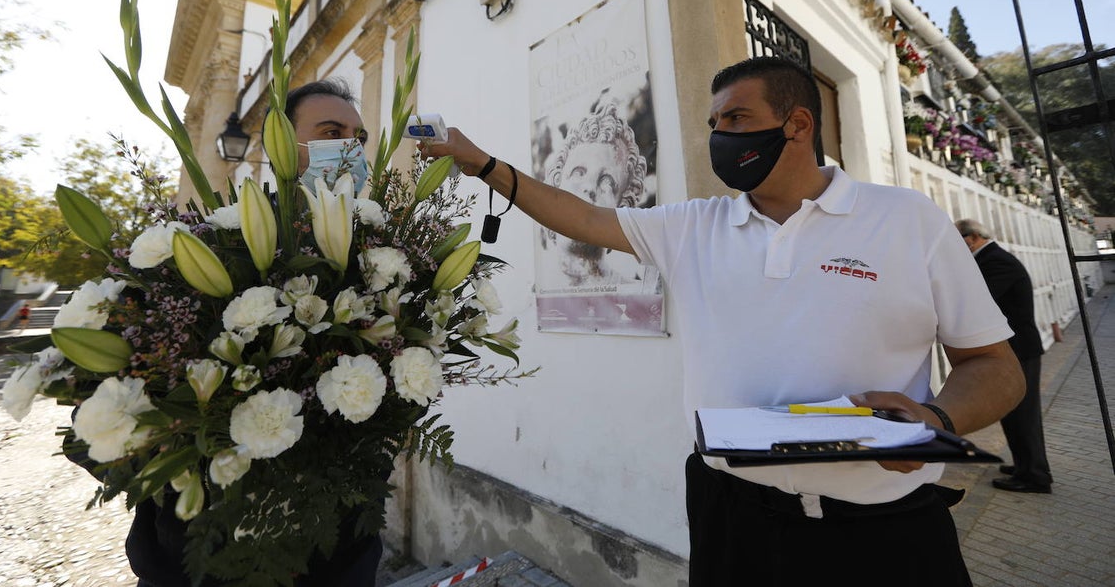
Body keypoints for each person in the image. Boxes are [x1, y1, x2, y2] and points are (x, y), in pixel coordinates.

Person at [421, 56, 1025, 586]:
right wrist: (482, 164)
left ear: (797, 125)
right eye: (713, 125)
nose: (719, 136)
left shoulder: (906, 220)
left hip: (882, 532)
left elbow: (997, 369)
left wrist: (935, 421)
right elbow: (579, 217)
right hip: (733, 519)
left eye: (735, 120)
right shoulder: (693, 226)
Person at [71, 79, 382, 587]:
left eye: (358, 136)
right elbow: (93, 410)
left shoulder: (377, 256)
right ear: (280, 144)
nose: (349, 148)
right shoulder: (207, 246)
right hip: (199, 560)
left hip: (337, 559)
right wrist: (190, 459)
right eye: (331, 132)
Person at [957, 218, 1053, 494]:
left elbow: (982, 300)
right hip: (1014, 348)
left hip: (1020, 349)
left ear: (973, 238)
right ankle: (1024, 465)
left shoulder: (997, 261)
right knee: (1011, 411)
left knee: (1023, 413)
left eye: (958, 240)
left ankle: (1035, 475)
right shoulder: (989, 259)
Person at [538, 101, 648, 289]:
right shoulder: (525, 301)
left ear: (622, 205)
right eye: (578, 172)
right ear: (556, 183)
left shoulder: (633, 292)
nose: (589, 187)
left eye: (607, 181)